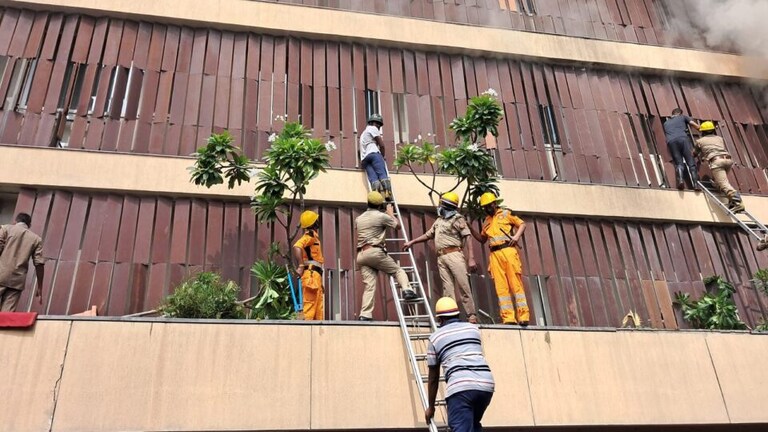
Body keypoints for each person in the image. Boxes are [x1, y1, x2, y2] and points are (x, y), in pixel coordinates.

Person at [403, 192, 479, 324]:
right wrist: (412, 242)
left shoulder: (457, 219)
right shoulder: (439, 221)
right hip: (441, 257)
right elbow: (428, 235)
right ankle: (450, 316)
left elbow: (468, 237)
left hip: (454, 254)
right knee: (447, 288)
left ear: (446, 205)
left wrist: (471, 258)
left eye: (442, 204)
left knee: (463, 285)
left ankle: (471, 315)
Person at [425, 297, 494, 432]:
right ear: (457, 314)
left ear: (440, 319)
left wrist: (431, 407)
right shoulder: (473, 329)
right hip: (486, 385)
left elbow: (433, 378)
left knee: (461, 427)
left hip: (461, 388)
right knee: (473, 425)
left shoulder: (435, 338)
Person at [469, 192, 530, 326]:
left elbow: (522, 224)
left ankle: (523, 316)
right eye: (484, 206)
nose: (487, 208)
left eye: (488, 205)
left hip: (508, 251)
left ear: (494, 203)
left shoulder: (506, 213)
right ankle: (508, 318)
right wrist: (471, 229)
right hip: (494, 255)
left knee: (516, 284)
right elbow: (482, 239)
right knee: (501, 288)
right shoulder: (486, 221)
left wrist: (516, 237)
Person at [356, 191, 418, 320]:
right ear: (380, 205)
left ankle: (365, 315)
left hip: (362, 255)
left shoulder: (359, 218)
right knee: (397, 270)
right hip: (375, 252)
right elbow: (398, 226)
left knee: (369, 286)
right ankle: (407, 289)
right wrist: (390, 214)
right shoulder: (381, 217)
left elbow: (369, 226)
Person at [693, 121, 744, 213]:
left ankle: (738, 202)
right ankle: (731, 201)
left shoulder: (700, 141)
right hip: (728, 160)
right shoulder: (720, 138)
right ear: (713, 130)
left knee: (723, 184)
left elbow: (695, 153)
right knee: (718, 182)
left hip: (717, 161)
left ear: (703, 132)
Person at [0, 213, 44, 312]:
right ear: (29, 225)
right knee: (7, 314)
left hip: (1, 274)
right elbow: (39, 264)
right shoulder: (36, 239)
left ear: (15, 221)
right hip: (17, 281)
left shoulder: (6, 229)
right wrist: (40, 286)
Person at [293, 210, 324, 320]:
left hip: (315, 276)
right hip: (310, 275)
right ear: (314, 223)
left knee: (318, 311)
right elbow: (297, 246)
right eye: (316, 220)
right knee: (309, 308)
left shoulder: (314, 237)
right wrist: (301, 266)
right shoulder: (309, 237)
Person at [663, 108, 701, 190]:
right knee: (691, 162)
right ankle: (695, 185)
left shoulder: (666, 123)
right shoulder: (683, 117)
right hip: (683, 139)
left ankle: (680, 180)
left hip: (671, 142)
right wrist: (703, 129)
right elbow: (696, 126)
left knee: (679, 163)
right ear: (679, 113)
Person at [359, 113, 393, 201]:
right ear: (374, 123)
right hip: (374, 154)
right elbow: (381, 145)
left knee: (374, 179)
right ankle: (388, 194)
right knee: (382, 174)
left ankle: (376, 197)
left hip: (364, 159)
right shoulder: (373, 128)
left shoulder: (363, 134)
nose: (378, 127)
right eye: (378, 124)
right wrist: (382, 155)